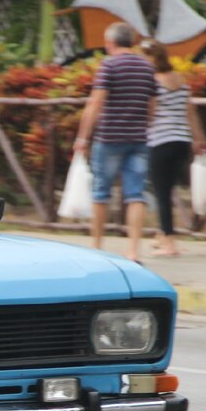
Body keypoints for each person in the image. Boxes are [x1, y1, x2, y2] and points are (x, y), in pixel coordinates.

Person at [74, 22, 157, 263]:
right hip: (139, 138)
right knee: (135, 194)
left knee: (101, 192)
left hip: (109, 137)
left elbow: (95, 103)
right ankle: (133, 250)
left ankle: (97, 247)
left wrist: (82, 137)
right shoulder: (146, 66)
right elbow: (153, 105)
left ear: (110, 42)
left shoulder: (109, 65)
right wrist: (145, 125)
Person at [141, 38, 206, 257]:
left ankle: (169, 243)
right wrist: (199, 139)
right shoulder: (180, 79)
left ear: (151, 58)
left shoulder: (152, 81)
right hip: (181, 141)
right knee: (167, 188)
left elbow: (149, 114)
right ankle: (162, 234)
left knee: (161, 192)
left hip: (160, 140)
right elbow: (191, 112)